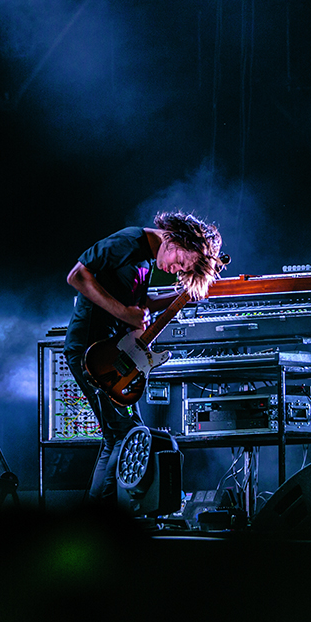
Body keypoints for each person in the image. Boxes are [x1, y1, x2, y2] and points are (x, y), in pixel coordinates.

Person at [64, 211, 224, 504]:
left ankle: (101, 513)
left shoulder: (147, 258)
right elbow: (77, 275)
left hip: (112, 352)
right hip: (91, 352)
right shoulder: (129, 241)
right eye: (181, 262)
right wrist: (124, 313)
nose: (175, 269)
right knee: (126, 434)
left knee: (118, 436)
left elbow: (140, 303)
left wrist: (184, 295)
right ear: (175, 238)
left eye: (180, 270)